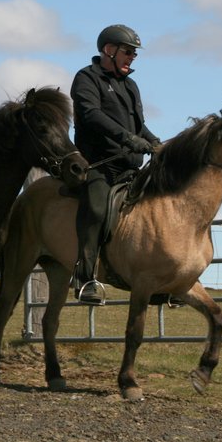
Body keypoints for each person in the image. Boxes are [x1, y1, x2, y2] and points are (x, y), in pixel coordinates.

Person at [70, 24, 161, 305]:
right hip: (99, 164)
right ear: (109, 50)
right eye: (128, 52)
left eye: (134, 53)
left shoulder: (130, 86)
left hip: (130, 168)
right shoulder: (86, 78)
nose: (132, 57)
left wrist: (155, 142)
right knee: (97, 210)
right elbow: (92, 115)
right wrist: (128, 139)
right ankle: (84, 278)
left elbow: (139, 125)